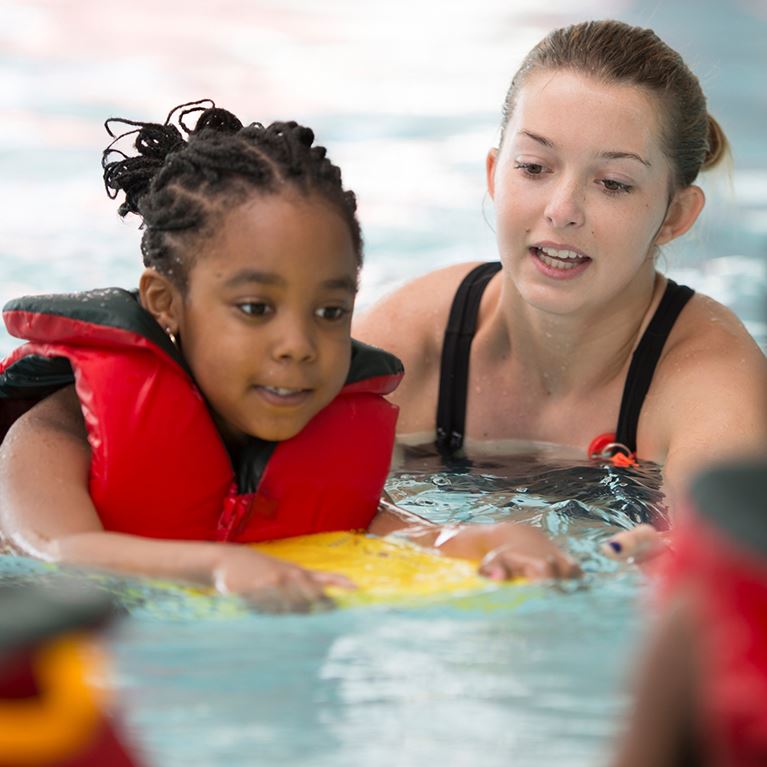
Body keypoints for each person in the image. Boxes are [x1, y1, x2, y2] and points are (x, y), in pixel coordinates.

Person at [0, 101, 578, 613]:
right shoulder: (56, 430)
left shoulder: (326, 449)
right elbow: (53, 551)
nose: (299, 346)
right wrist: (216, 568)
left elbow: (382, 530)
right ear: (166, 303)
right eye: (255, 308)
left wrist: (485, 542)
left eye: (330, 313)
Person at [355, 20, 767, 552]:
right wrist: (451, 544)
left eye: (613, 183)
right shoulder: (410, 345)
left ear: (675, 215)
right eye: (533, 167)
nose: (562, 210)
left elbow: (726, 581)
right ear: (492, 174)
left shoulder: (714, 387)